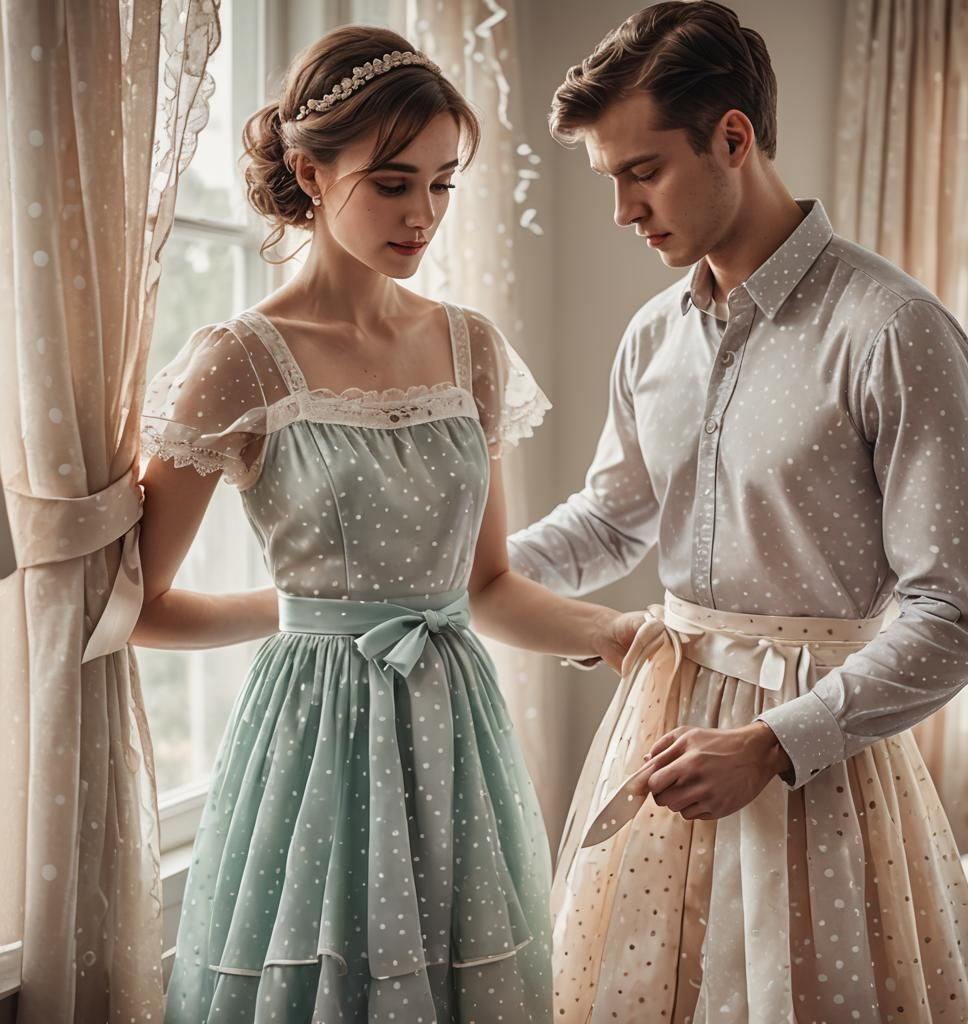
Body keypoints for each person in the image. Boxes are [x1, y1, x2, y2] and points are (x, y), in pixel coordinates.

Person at [507, 2, 968, 1020]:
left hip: (819, 774)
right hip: (660, 745)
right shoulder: (652, 338)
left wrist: (774, 742)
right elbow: (611, 522)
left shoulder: (894, 331)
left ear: (731, 137)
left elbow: (953, 614)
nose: (621, 210)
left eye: (640, 171)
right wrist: (458, 570)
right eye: (608, 180)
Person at [133, 25, 639, 1024]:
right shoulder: (238, 360)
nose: (423, 215)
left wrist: (616, 635)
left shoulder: (471, 350)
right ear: (309, 173)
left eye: (443, 184)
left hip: (457, 735)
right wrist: (303, 612)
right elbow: (137, 606)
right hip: (310, 738)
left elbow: (487, 585)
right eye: (394, 182)